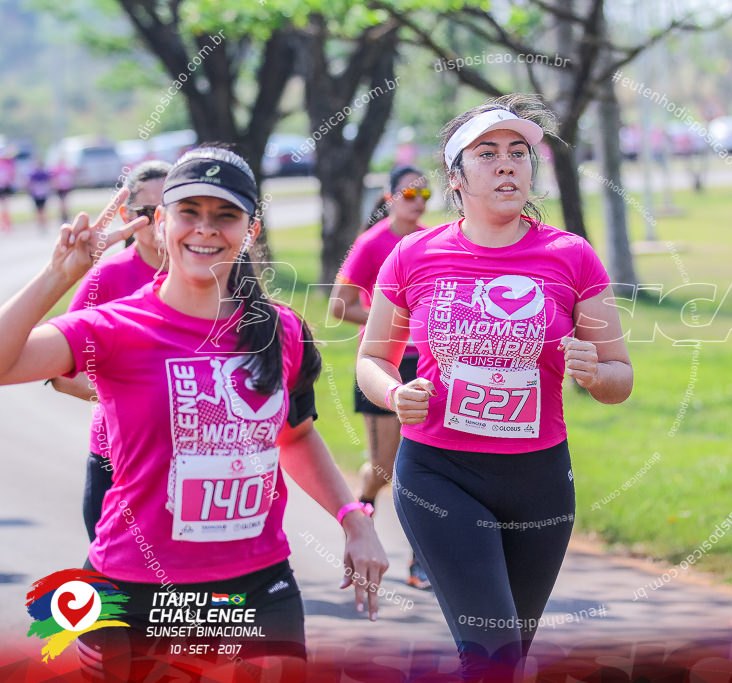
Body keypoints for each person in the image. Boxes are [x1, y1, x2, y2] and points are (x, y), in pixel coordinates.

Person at [0, 147, 388, 681]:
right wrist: (56, 276)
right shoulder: (114, 329)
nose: (205, 230)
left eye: (225, 215)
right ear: (161, 223)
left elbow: (295, 438)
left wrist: (353, 520)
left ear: (249, 231)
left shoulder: (279, 331)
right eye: (190, 212)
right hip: (132, 596)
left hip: (257, 588)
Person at [356, 94, 633, 680]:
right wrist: (392, 393)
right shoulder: (414, 254)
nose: (507, 164)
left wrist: (593, 373)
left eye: (518, 153)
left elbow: (620, 377)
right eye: (487, 154)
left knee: (510, 655)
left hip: (539, 482)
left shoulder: (572, 257)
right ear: (455, 178)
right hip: (439, 474)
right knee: (493, 654)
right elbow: (372, 359)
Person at [50, 160, 170, 543]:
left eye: (171, 209)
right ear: (126, 215)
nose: (158, 222)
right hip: (118, 458)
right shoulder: (108, 278)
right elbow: (60, 374)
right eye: (147, 213)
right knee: (114, 588)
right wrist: (135, 398)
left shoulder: (208, 277)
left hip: (192, 461)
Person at [331, 165, 434, 590]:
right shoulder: (372, 243)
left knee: (424, 465)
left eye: (425, 193)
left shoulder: (430, 241)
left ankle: (420, 561)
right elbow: (339, 305)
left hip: (427, 364)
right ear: (391, 197)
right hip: (382, 365)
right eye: (409, 192)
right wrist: (392, 325)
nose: (418, 200)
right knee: (385, 467)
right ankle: (364, 502)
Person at [27, 161, 50, 231]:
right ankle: (41, 225)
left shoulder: (43, 174)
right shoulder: (34, 174)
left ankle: (42, 225)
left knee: (41, 210)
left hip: (41, 194)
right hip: (37, 194)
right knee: (40, 210)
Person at [52, 157, 75, 223]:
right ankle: (63, 217)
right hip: (60, 188)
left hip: (65, 188)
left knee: (64, 203)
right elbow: (54, 178)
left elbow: (70, 176)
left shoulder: (65, 169)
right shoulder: (57, 170)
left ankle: (65, 217)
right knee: (62, 203)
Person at [0, 149, 14, 232]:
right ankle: (4, 224)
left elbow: (11, 175)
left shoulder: (8, 164)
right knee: (4, 206)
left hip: (5, 187)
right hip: (2, 187)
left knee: (5, 206)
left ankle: (7, 223)